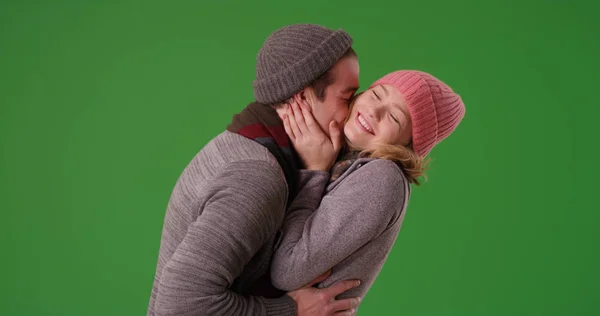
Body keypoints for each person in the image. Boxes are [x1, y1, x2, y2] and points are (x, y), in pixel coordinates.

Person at [147, 24, 362, 316]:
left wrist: (314, 172)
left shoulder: (251, 143)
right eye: (347, 98)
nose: (354, 112)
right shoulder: (257, 176)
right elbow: (180, 306)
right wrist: (291, 311)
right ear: (302, 99)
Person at [270, 70, 466, 313]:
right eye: (376, 95)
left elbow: (287, 271)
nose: (375, 111)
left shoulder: (382, 178)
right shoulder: (341, 158)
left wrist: (314, 173)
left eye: (394, 118)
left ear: (408, 145)